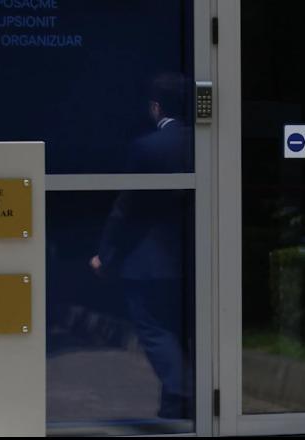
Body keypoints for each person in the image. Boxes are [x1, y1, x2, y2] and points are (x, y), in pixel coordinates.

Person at [89, 72, 193, 420]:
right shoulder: (204, 144)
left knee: (153, 328)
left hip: (148, 261)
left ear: (155, 107)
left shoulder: (146, 147)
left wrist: (105, 255)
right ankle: (175, 405)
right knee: (178, 330)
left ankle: (184, 391)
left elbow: (126, 208)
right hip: (190, 256)